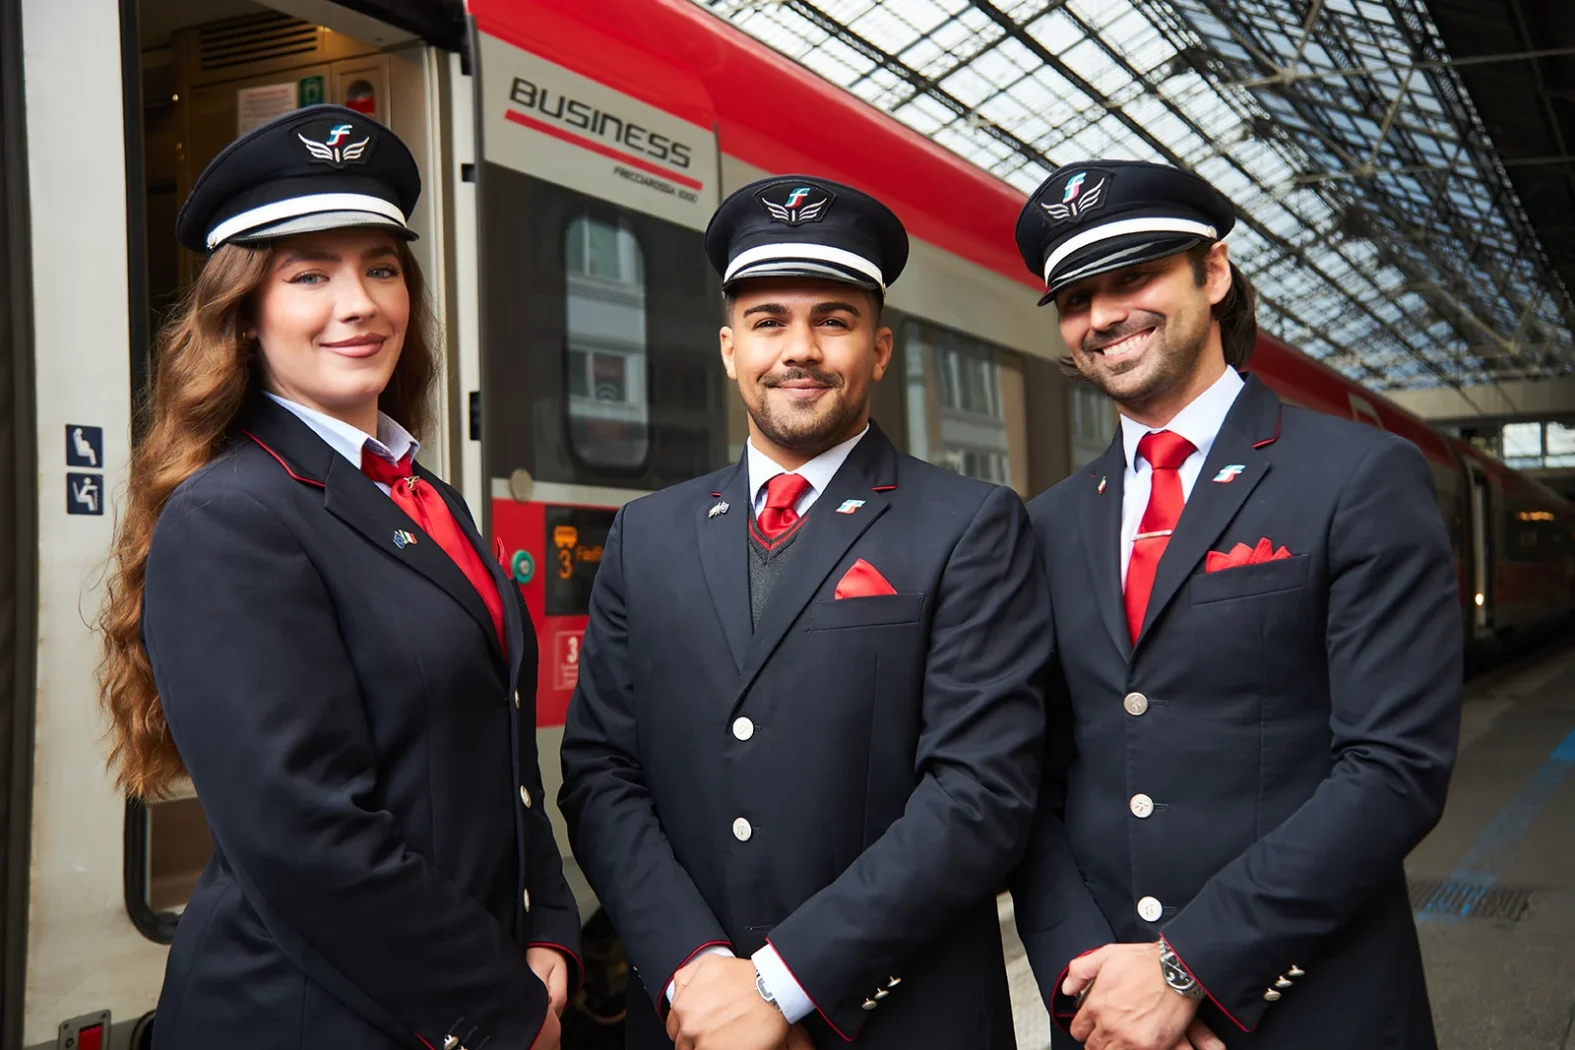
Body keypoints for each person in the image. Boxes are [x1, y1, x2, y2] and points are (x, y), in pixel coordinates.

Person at [97, 104, 579, 1050]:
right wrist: (503, 1013)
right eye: (309, 274)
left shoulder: (422, 494)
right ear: (244, 315)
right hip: (310, 1017)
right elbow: (306, 838)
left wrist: (548, 926)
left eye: (381, 267)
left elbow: (501, 757)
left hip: (440, 994)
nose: (359, 303)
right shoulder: (232, 516)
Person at [558, 175, 1049, 1050]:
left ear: (881, 347)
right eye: (768, 321)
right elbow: (600, 773)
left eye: (833, 320)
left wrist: (780, 987)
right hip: (691, 1019)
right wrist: (694, 969)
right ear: (727, 347)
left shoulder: (970, 525)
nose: (800, 349)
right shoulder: (648, 534)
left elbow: (979, 794)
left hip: (898, 1018)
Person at [1007, 159, 1461, 1050]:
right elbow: (1029, 782)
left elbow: (1392, 767)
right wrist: (1085, 973)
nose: (1101, 317)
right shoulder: (1046, 524)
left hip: (1311, 1010)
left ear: (1211, 275)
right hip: (1105, 1019)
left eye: (1133, 276)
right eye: (1074, 298)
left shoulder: (1358, 478)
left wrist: (1191, 965)